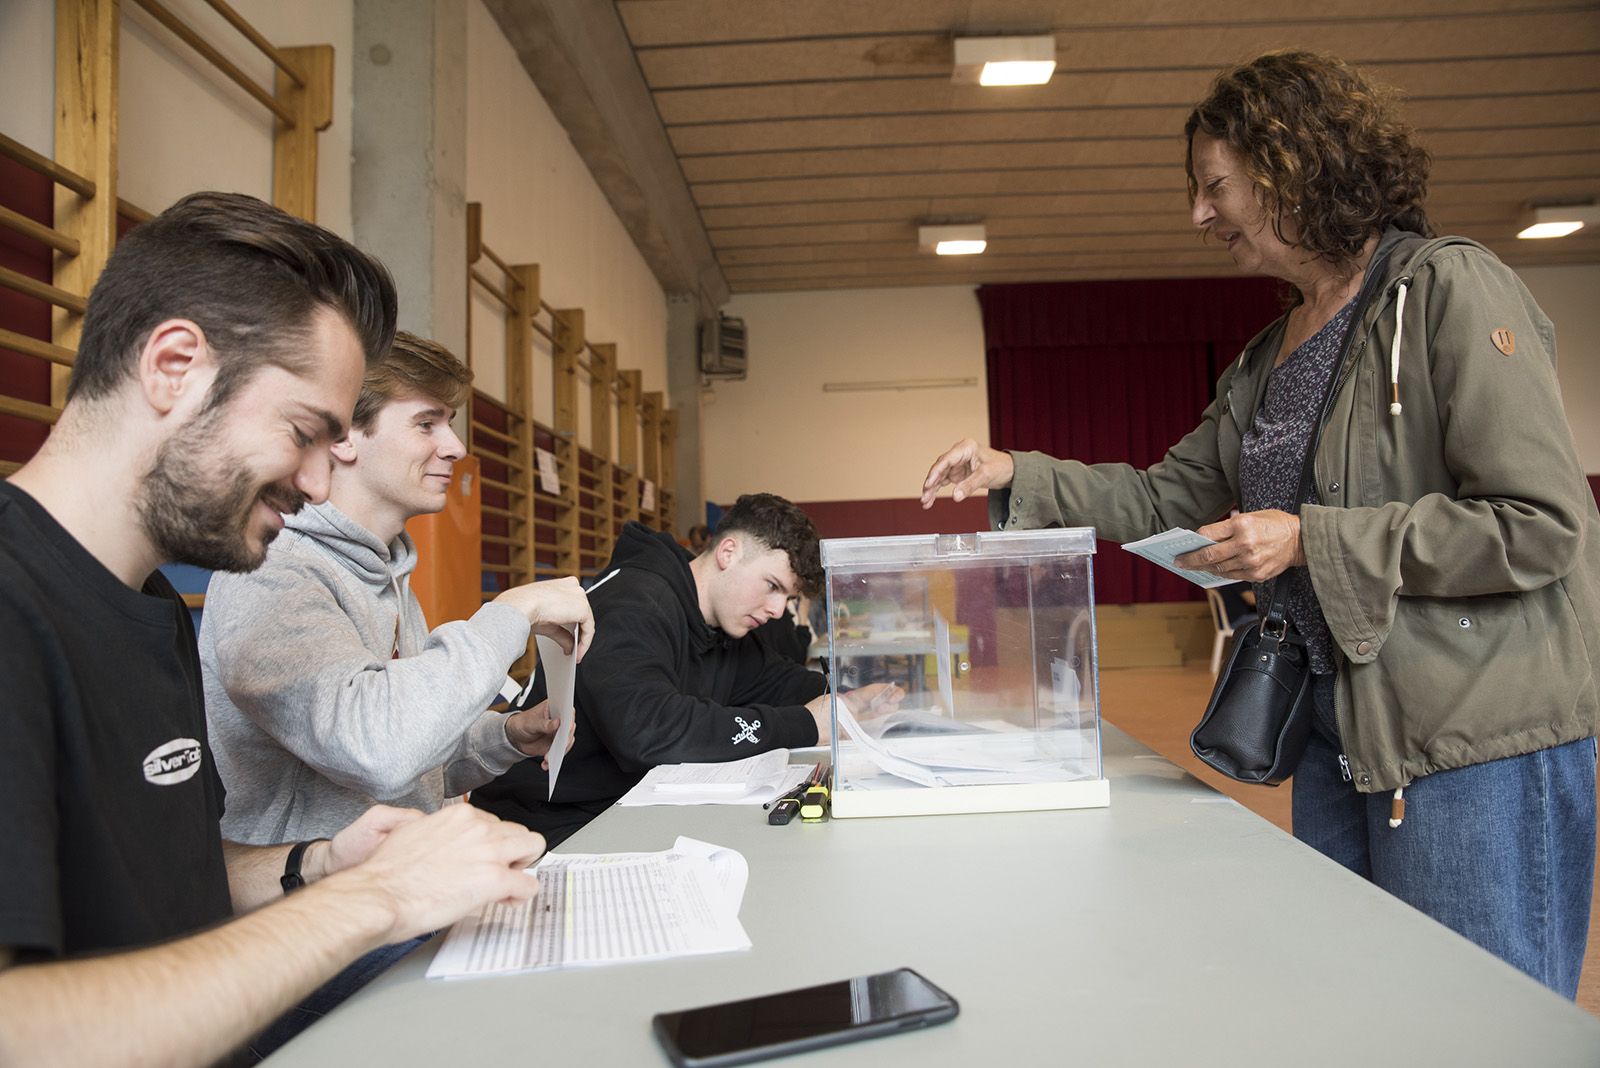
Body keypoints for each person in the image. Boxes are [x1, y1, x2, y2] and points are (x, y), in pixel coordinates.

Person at [919, 50, 1599, 999]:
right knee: (1367, 1015)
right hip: (1338, 735)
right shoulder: (1267, 354)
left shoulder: (1449, 288)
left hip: (1469, 746)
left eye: (1215, 187)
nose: (1199, 214)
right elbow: (1167, 500)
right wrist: (1015, 470)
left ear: (1293, 164)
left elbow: (1541, 526)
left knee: (1481, 1020)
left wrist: (1312, 541)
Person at [0, 192, 547, 1067]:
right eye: (304, 433)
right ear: (174, 366)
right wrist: (377, 900)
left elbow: (172, 882)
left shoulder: (151, 613)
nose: (321, 486)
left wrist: (324, 862)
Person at [200, 331, 594, 847]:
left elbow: (414, 757)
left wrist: (505, 737)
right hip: (315, 912)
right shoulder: (271, 573)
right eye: (426, 424)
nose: (456, 448)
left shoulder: (387, 572)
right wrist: (512, 611)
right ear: (343, 436)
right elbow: (377, 750)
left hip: (402, 895)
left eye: (448, 424)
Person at [473, 493, 894, 844]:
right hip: (543, 826)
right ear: (729, 552)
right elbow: (649, 730)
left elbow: (776, 681)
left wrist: (845, 695)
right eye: (772, 587)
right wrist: (806, 724)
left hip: (620, 813)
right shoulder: (633, 603)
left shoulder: (721, 626)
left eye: (787, 597)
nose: (777, 609)